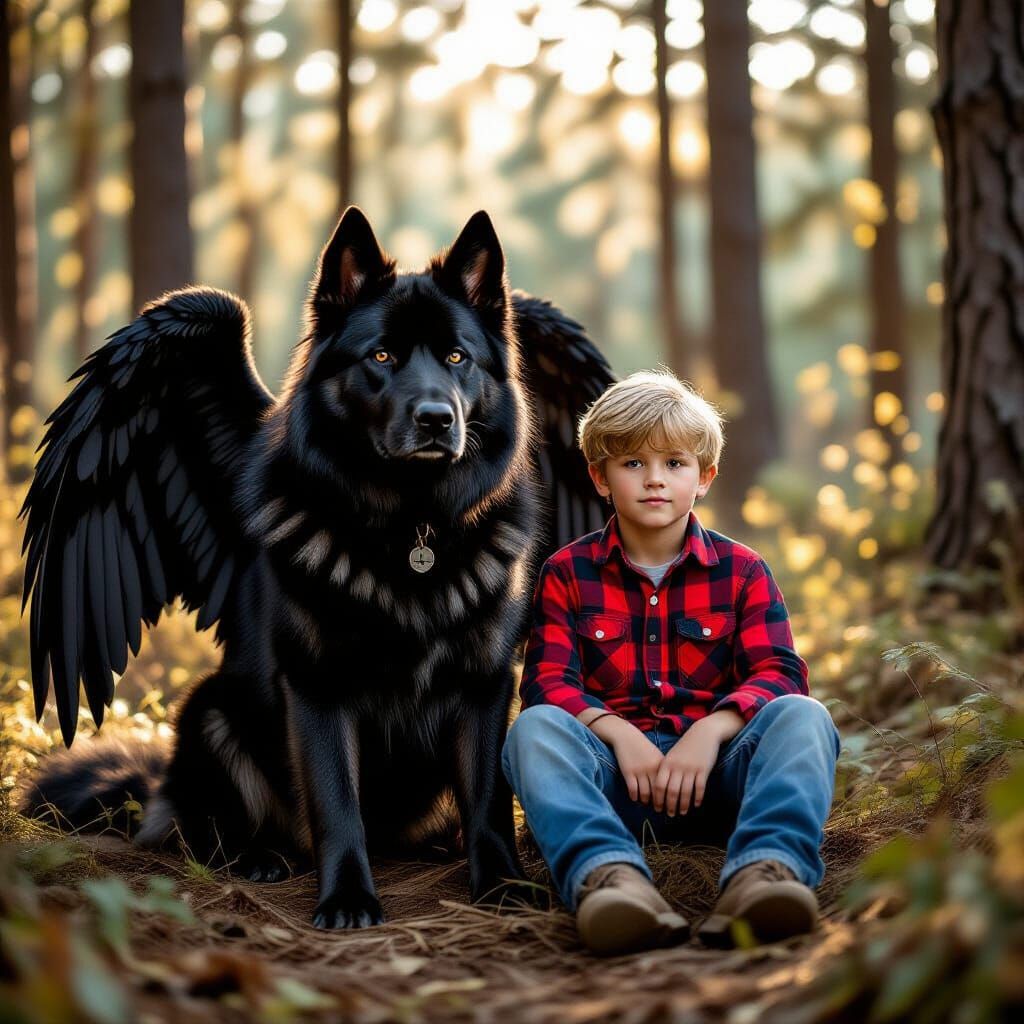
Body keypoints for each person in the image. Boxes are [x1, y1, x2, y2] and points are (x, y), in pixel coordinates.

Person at [502, 369, 841, 956]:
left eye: (674, 464)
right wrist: (619, 735)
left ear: (704, 477)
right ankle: (611, 880)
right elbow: (546, 683)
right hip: (614, 786)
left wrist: (712, 731)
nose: (654, 480)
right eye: (632, 464)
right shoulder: (566, 572)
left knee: (804, 716)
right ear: (600, 479)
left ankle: (765, 875)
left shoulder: (742, 571)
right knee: (532, 730)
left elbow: (779, 673)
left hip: (719, 785)